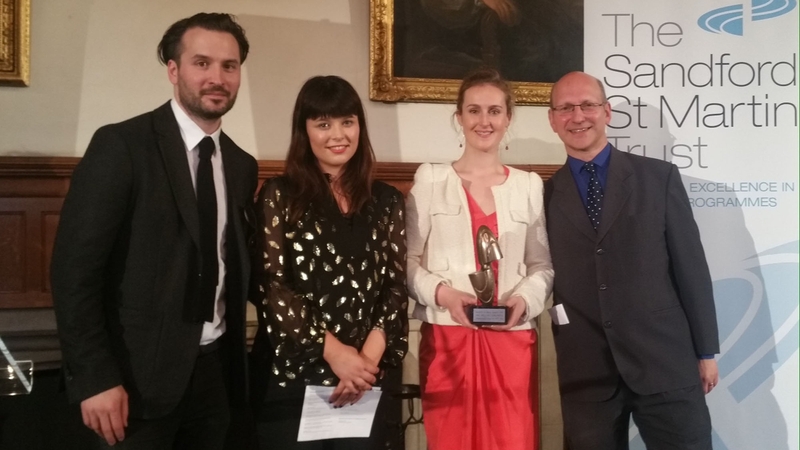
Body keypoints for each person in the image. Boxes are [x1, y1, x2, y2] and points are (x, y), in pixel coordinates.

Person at [50, 13, 257, 449]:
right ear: (173, 70)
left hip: (217, 376)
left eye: (229, 66)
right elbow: (74, 273)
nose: (217, 78)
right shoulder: (121, 146)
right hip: (133, 384)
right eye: (202, 63)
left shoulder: (241, 165)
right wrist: (94, 377)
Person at [543, 71, 720, 450]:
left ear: (606, 112)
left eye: (587, 105)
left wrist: (706, 352)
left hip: (664, 361)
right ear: (552, 119)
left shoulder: (659, 178)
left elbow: (691, 268)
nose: (577, 116)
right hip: (586, 374)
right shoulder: (542, 195)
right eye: (566, 108)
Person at [250, 75, 409, 450]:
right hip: (294, 374)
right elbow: (272, 285)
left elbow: (395, 286)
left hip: (365, 379)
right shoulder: (279, 195)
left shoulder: (386, 200)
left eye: (347, 122)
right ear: (304, 131)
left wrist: (364, 364)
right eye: (323, 124)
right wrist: (336, 354)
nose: (338, 135)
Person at [406, 67, 554, 450]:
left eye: (494, 111)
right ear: (459, 116)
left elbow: (542, 266)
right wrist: (444, 295)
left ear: (508, 118)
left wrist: (524, 301)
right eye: (474, 110)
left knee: (513, 440)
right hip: (447, 339)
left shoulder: (528, 186)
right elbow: (407, 262)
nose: (483, 121)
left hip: (512, 341)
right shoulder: (431, 180)